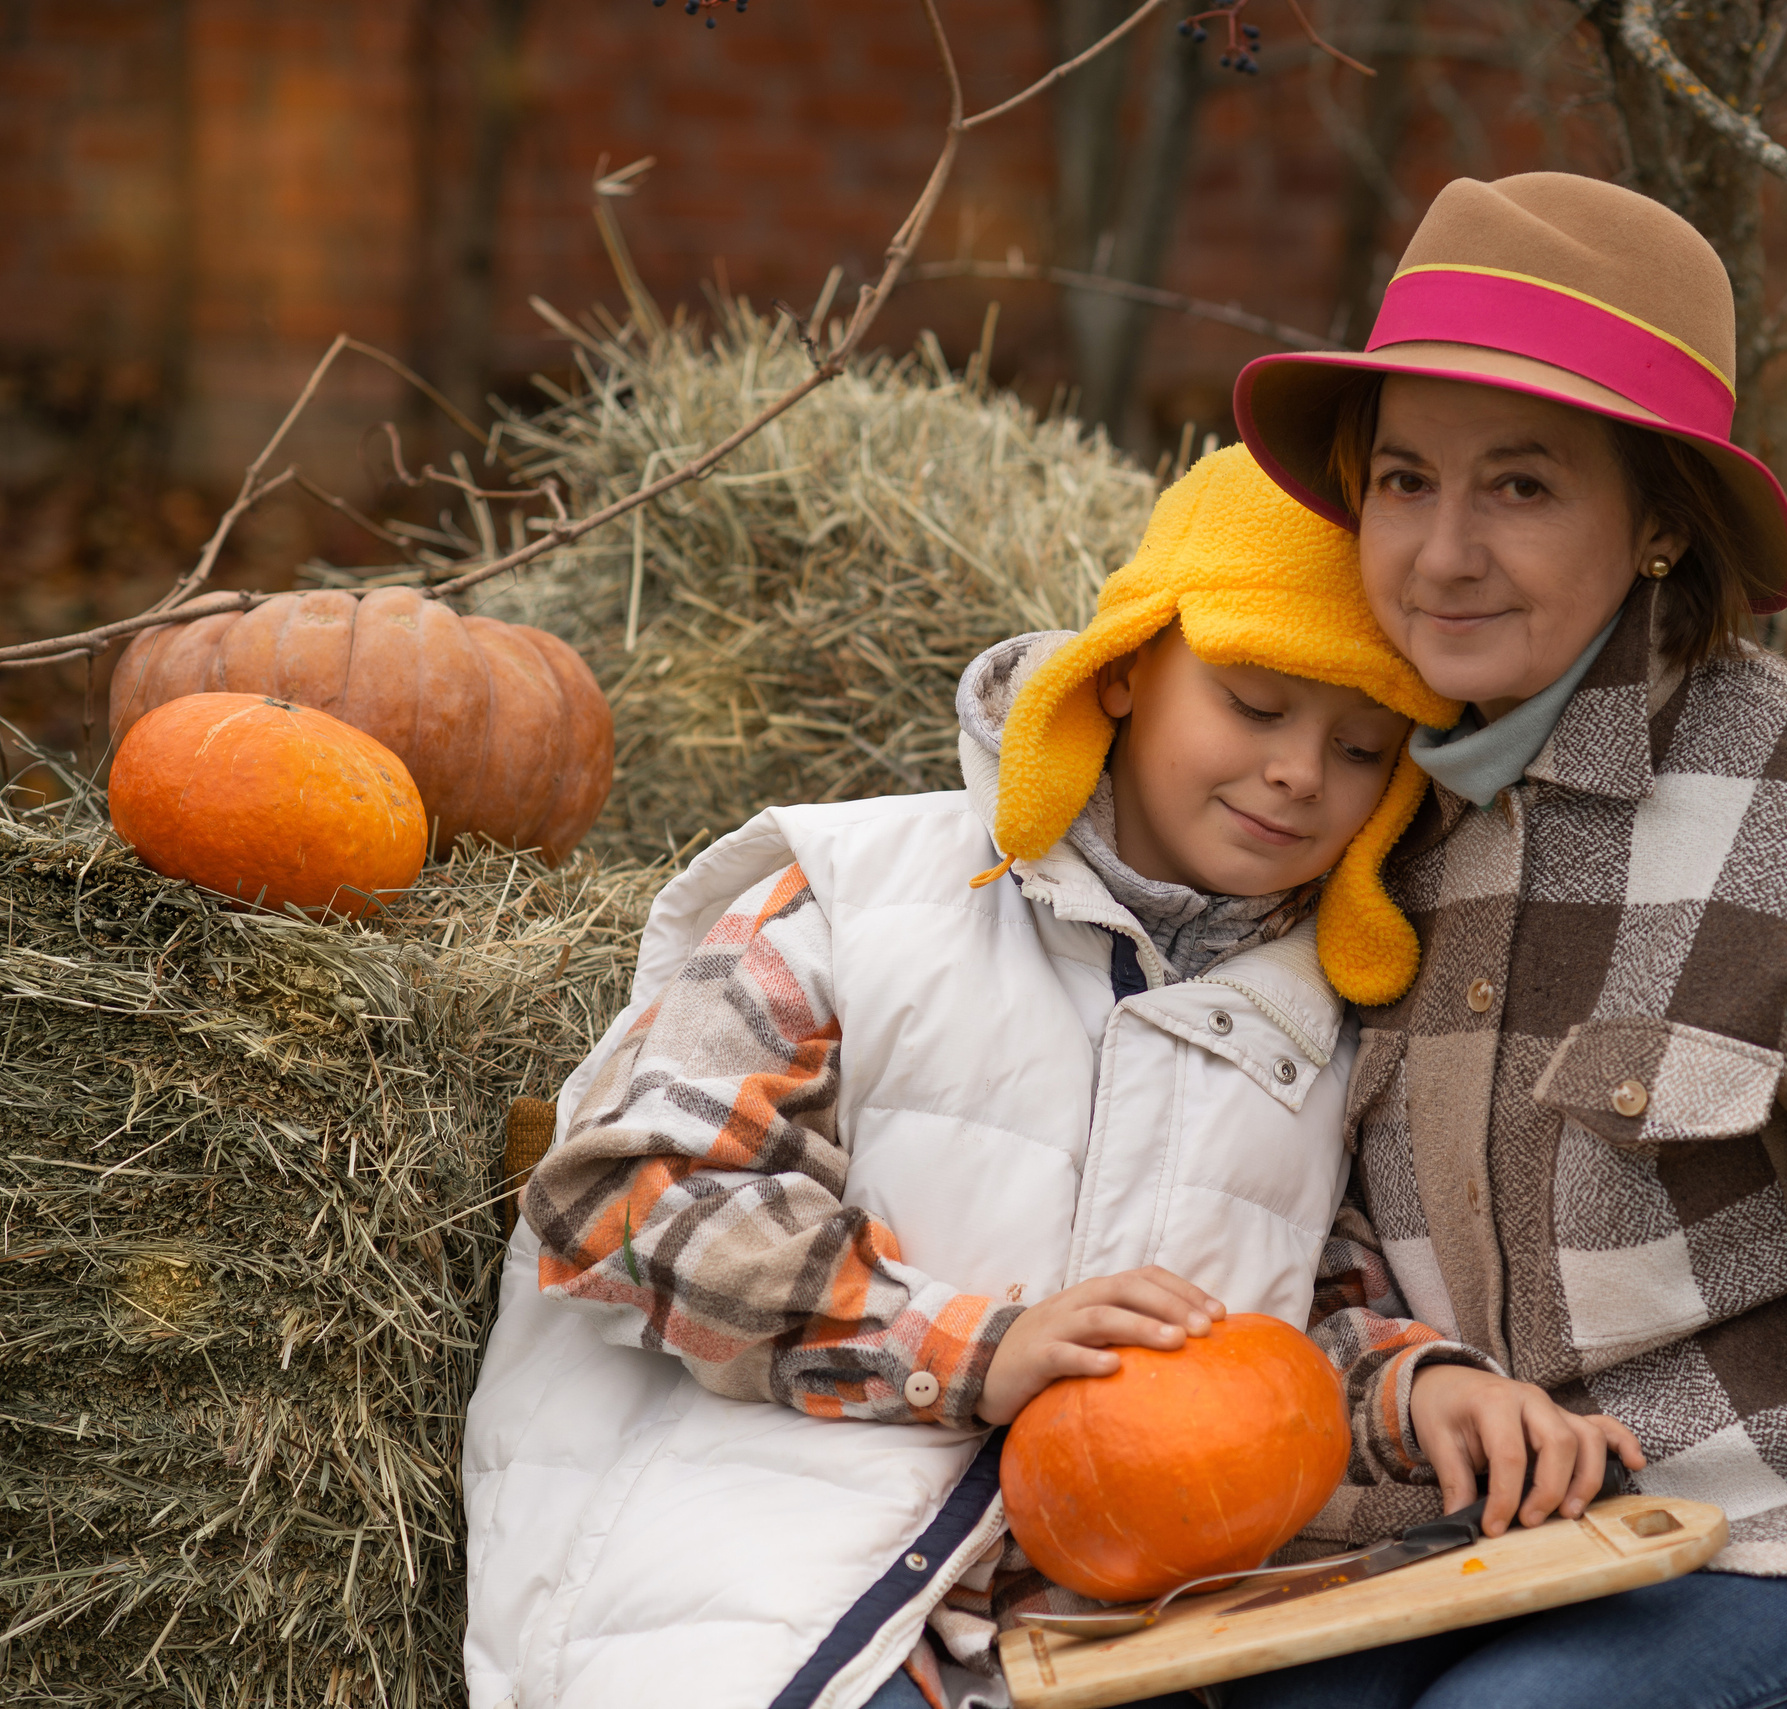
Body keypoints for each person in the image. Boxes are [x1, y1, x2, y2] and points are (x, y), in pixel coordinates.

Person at [1219, 173, 1787, 1709]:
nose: (1442, 553)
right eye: (1405, 479)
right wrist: (1402, 1385)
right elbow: (1279, 1224)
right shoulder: (1338, 804)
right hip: (1454, 1541)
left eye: (1522, 488)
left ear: (1658, 520)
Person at [459, 445, 1458, 1709]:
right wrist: (972, 1346)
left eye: (1363, 748)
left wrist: (1418, 1393)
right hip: (762, 1577)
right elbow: (631, 1205)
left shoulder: (1324, 1022)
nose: (1301, 772)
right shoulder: (860, 896)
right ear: (1123, 670)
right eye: (1254, 705)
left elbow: (1286, 1330)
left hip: (1100, 1629)